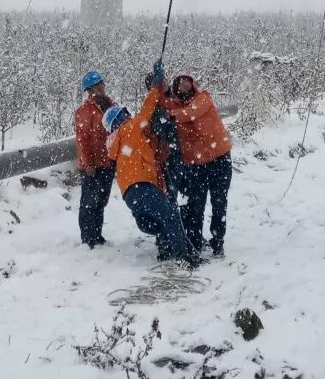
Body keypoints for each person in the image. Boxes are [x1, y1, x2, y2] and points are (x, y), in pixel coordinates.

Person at [105, 58, 199, 267]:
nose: (129, 114)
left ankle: (167, 250)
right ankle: (183, 257)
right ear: (121, 118)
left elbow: (148, 163)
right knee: (170, 214)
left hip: (131, 194)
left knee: (158, 221)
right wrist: (156, 85)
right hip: (142, 186)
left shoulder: (122, 143)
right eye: (125, 113)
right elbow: (147, 109)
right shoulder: (130, 128)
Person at [163, 73, 233, 258]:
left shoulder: (203, 98)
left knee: (219, 203)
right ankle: (194, 242)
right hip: (196, 163)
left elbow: (191, 113)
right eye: (180, 86)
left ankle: (218, 241)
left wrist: (169, 115)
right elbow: (158, 104)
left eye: (187, 85)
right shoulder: (175, 105)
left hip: (219, 158)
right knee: (196, 205)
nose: (184, 88)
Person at [74, 68, 116, 249]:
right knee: (90, 202)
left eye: (100, 84)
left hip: (107, 161)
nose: (100, 87)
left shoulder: (110, 105)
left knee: (101, 201)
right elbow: (83, 139)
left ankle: (97, 235)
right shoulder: (85, 110)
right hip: (93, 165)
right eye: (95, 86)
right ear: (89, 90)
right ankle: (88, 238)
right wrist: (88, 163)